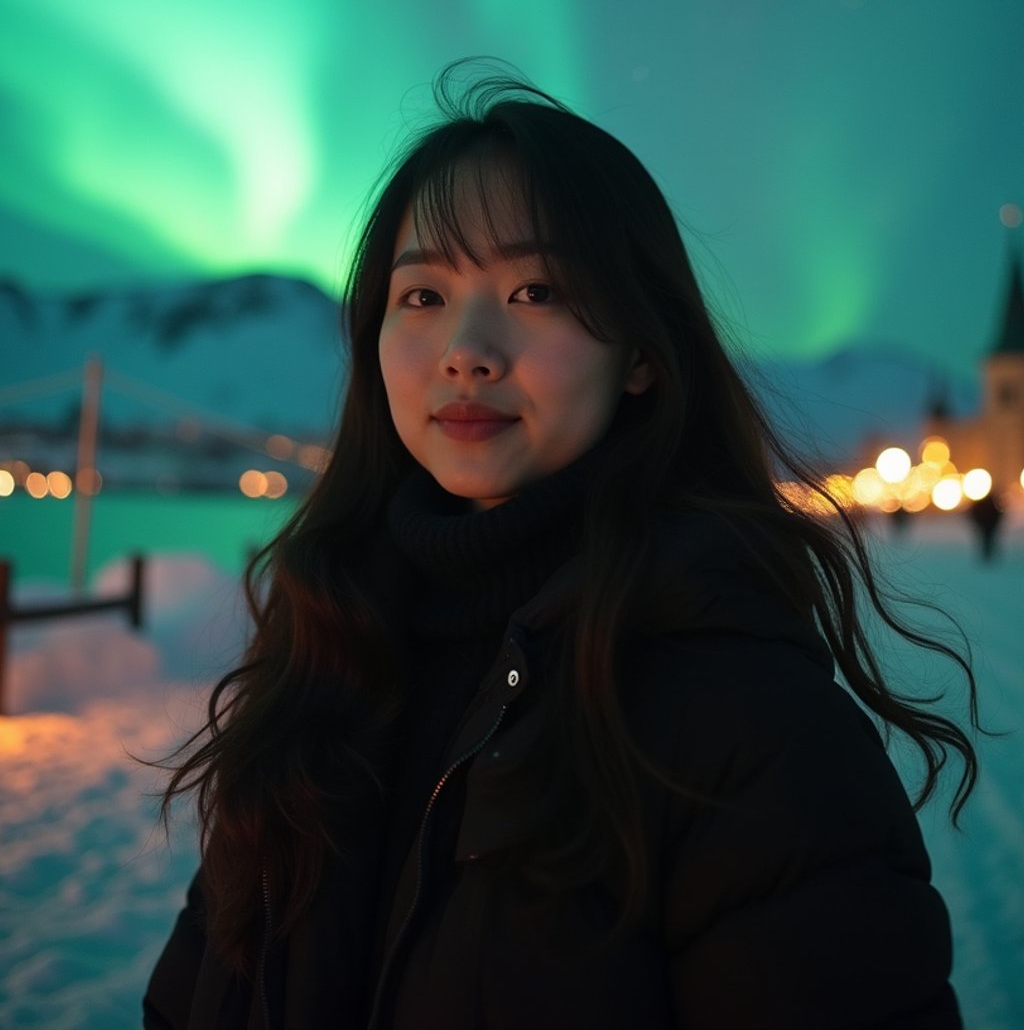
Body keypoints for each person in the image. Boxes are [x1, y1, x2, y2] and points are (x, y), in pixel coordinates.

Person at [143, 61, 990, 1030]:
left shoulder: (744, 722)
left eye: (535, 289)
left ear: (638, 352)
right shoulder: (321, 654)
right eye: (421, 296)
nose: (465, 348)